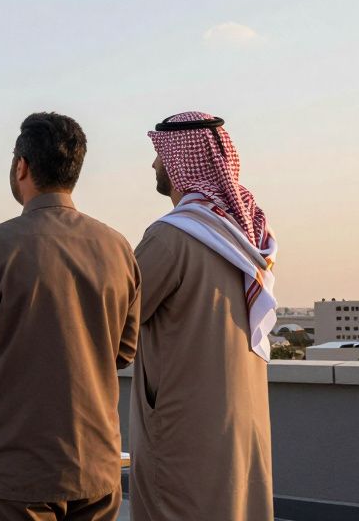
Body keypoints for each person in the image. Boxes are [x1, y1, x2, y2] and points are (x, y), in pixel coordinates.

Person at [0, 112, 140, 521]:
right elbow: (124, 351)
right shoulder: (117, 247)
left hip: (14, 472)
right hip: (96, 467)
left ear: (22, 166)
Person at [130, 111, 276, 520]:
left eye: (161, 154)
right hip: (241, 420)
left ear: (180, 160)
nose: (155, 164)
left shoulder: (171, 237)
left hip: (184, 425)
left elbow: (117, 318)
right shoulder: (250, 236)